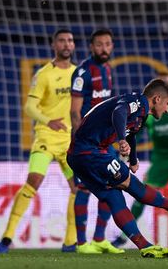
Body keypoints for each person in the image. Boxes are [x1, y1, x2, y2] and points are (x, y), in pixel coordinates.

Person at [66, 79, 168, 258]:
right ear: (157, 99)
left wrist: (133, 159)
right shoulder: (135, 102)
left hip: (77, 156)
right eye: (167, 104)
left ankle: (145, 246)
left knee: (113, 196)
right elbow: (119, 111)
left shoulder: (141, 115)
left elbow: (131, 133)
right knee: (130, 183)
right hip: (90, 152)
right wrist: (121, 140)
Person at [0, 30, 79, 254]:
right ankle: (7, 237)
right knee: (34, 181)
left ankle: (70, 242)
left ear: (73, 45)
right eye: (62, 40)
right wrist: (48, 121)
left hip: (70, 141)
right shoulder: (43, 74)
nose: (66, 44)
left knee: (78, 188)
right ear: (54, 45)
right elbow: (29, 107)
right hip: (46, 137)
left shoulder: (79, 74)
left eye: (70, 40)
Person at [110, 71, 168, 246]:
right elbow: (133, 132)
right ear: (156, 95)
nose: (167, 107)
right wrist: (130, 155)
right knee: (142, 191)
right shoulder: (148, 114)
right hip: (162, 158)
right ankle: (123, 236)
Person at [69, 28, 120, 254]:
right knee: (84, 188)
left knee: (112, 183)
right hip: (86, 141)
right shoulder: (82, 73)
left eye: (107, 44)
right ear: (91, 47)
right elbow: (74, 111)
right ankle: (81, 243)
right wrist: (79, 139)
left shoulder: (107, 69)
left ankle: (99, 238)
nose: (104, 48)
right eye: (99, 44)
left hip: (104, 141)